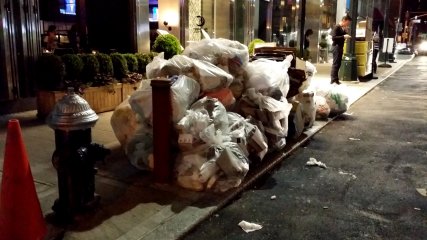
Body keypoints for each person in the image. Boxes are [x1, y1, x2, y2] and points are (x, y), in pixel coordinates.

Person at [330, 15, 352, 84]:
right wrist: (343, 36)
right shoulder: (337, 27)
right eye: (347, 23)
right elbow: (333, 38)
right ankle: (333, 79)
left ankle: (336, 79)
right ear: (344, 20)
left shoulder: (342, 28)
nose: (348, 24)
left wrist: (345, 32)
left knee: (338, 64)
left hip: (340, 47)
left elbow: (342, 36)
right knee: (336, 64)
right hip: (336, 47)